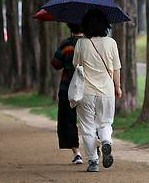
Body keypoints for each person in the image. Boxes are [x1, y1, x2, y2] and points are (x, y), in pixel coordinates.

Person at [73, 9, 122, 173]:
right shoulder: (111, 43)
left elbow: (76, 64)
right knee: (105, 122)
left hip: (85, 92)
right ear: (105, 26)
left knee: (87, 127)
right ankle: (106, 140)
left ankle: (93, 161)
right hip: (107, 91)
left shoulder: (81, 43)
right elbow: (116, 69)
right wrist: (118, 87)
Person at [51, 23, 85, 165]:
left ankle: (77, 153)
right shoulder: (89, 44)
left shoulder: (66, 44)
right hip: (87, 87)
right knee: (89, 119)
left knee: (68, 120)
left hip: (68, 87)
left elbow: (56, 63)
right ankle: (95, 148)